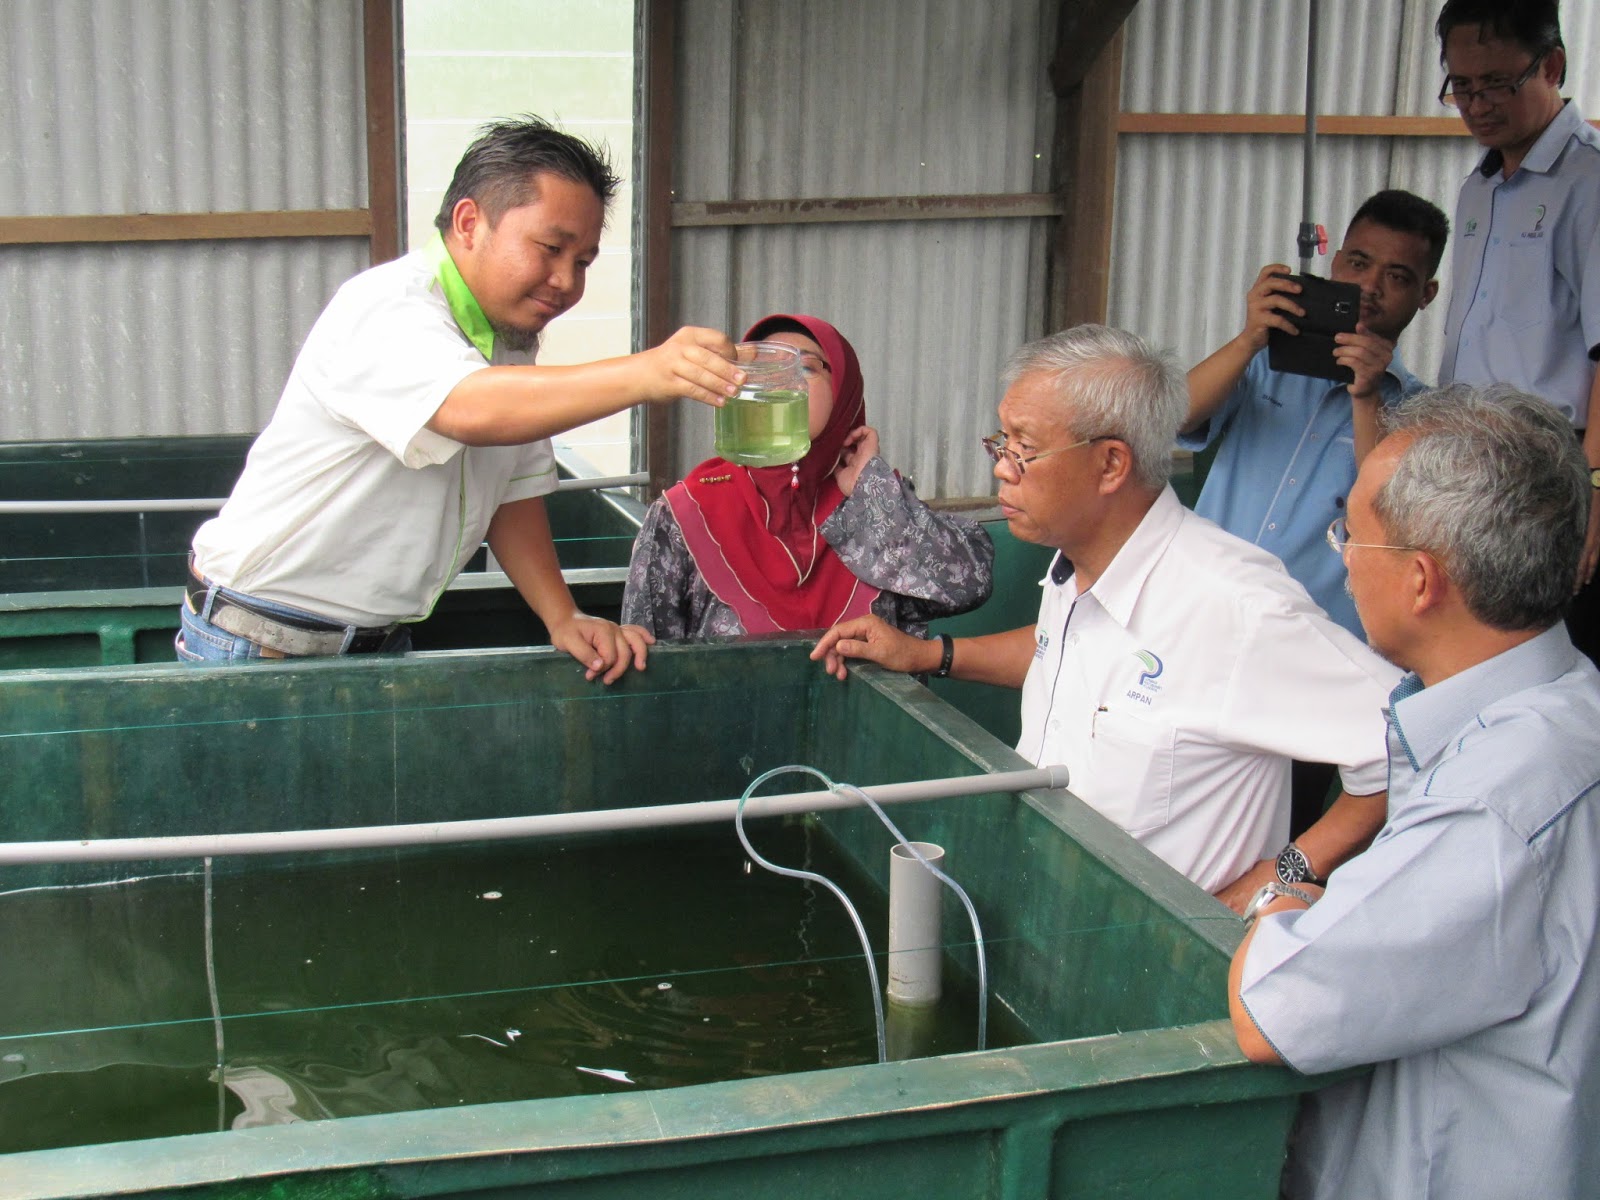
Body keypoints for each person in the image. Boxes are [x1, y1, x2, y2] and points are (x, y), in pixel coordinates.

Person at [812, 325, 1399, 907]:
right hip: (1049, 909)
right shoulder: (1080, 561)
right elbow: (1065, 652)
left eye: (1024, 448)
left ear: (1111, 464)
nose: (1002, 468)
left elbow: (1412, 734)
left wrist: (1286, 871)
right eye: (1002, 442)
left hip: (1158, 947)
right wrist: (927, 655)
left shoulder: (1236, 605)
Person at [181, 116, 743, 681]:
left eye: (583, 262)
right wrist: (650, 371)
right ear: (469, 223)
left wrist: (562, 615)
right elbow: (469, 410)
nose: (566, 281)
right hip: (262, 639)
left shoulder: (509, 343)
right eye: (551, 248)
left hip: (376, 642)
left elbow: (510, 491)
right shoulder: (386, 308)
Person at [1228, 384, 1600, 1200]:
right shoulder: (1572, 703)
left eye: (1350, 536)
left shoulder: (1493, 804)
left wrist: (1285, 895)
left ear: (1422, 580)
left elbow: (1273, 1011)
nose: (1344, 559)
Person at [622, 313, 994, 639]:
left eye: (806, 368)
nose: (778, 382)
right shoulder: (685, 512)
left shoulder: (874, 497)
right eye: (759, 369)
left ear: (844, 393)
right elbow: (648, 658)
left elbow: (968, 586)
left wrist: (872, 490)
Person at [1182, 189, 1448, 639]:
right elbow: (1173, 418)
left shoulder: (1423, 413)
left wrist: (1366, 397)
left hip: (1315, 639)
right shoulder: (1265, 360)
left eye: (1397, 276)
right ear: (1336, 262)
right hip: (1204, 606)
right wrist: (1248, 340)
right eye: (1359, 263)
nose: (1370, 286)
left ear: (1426, 294)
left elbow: (1390, 519)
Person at [1434, 0, 1600, 662]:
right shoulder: (1478, 188)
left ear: (1552, 66)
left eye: (1497, 84)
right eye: (1462, 86)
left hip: (1553, 477)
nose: (1478, 105)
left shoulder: (1589, 182)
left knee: (1555, 667)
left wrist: (1595, 490)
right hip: (1474, 470)